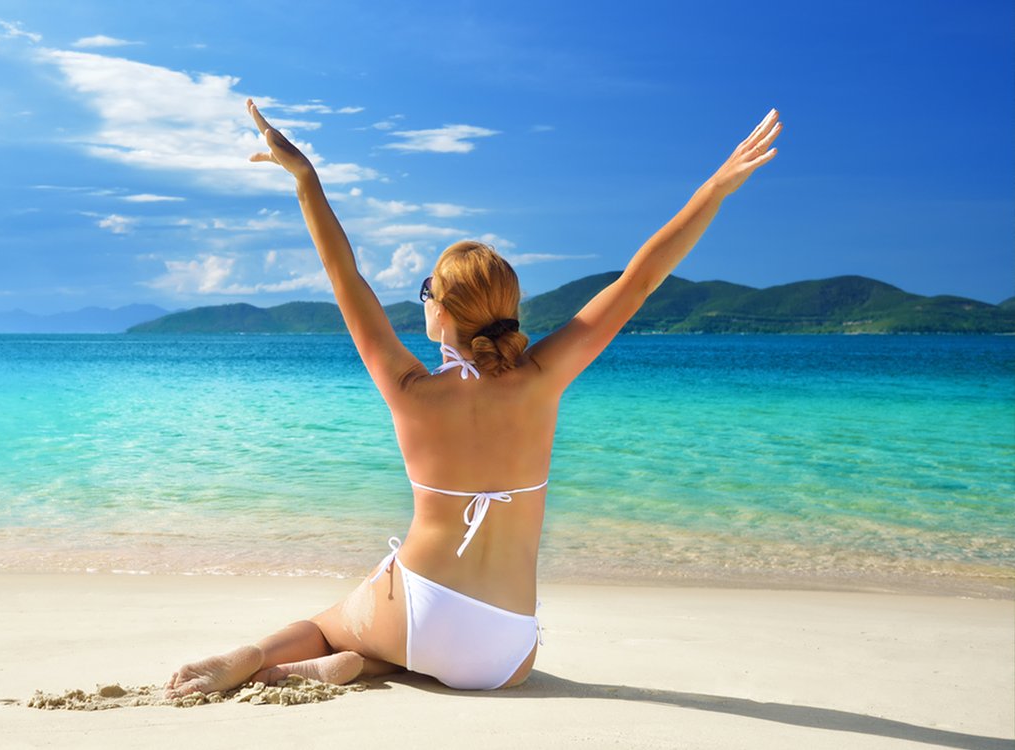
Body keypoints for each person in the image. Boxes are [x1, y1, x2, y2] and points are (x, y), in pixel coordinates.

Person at [163, 99, 782, 697]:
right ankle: (373, 663)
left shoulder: (410, 390)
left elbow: (344, 275)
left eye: (426, 288)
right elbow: (640, 277)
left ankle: (270, 655)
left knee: (325, 627)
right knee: (429, 650)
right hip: (501, 653)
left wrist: (305, 177)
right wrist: (717, 188)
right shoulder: (544, 376)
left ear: (440, 308)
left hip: (414, 609)